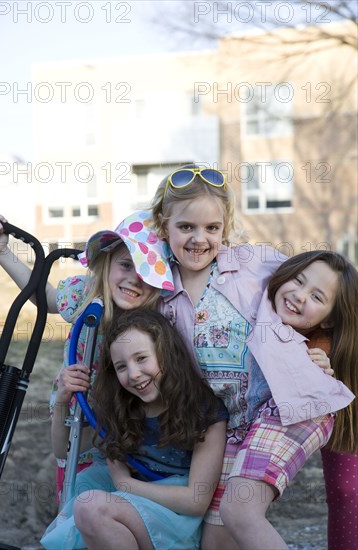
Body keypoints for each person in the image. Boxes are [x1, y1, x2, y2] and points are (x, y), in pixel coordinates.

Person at [150, 164, 355, 549]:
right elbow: (77, 297)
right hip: (233, 424)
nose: (199, 239)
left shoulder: (251, 263)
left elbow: (315, 304)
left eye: (211, 228)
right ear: (164, 225)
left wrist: (321, 353)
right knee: (216, 544)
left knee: (240, 511)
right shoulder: (157, 288)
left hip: (289, 405)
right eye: (186, 227)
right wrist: (4, 254)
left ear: (224, 228)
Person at [0, 210, 175, 502]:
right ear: (106, 263)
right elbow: (44, 297)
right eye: (126, 265)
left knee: (119, 494)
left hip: (126, 419)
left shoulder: (155, 318)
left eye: (146, 274)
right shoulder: (86, 295)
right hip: (75, 408)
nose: (133, 280)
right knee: (75, 483)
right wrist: (2, 251)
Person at [40, 309, 228, 550]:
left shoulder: (203, 410)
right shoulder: (122, 407)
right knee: (85, 498)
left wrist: (126, 484)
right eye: (121, 366)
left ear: (166, 353)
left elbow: (196, 501)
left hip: (176, 519)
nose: (134, 374)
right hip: (130, 507)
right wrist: (62, 402)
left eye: (141, 358)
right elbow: (63, 450)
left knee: (91, 507)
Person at [267, 250, 358, 550]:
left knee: (348, 491)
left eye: (317, 296)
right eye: (298, 280)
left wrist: (322, 370)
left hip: (347, 389)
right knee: (346, 491)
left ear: (331, 320)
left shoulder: (327, 347)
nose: (300, 296)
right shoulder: (256, 304)